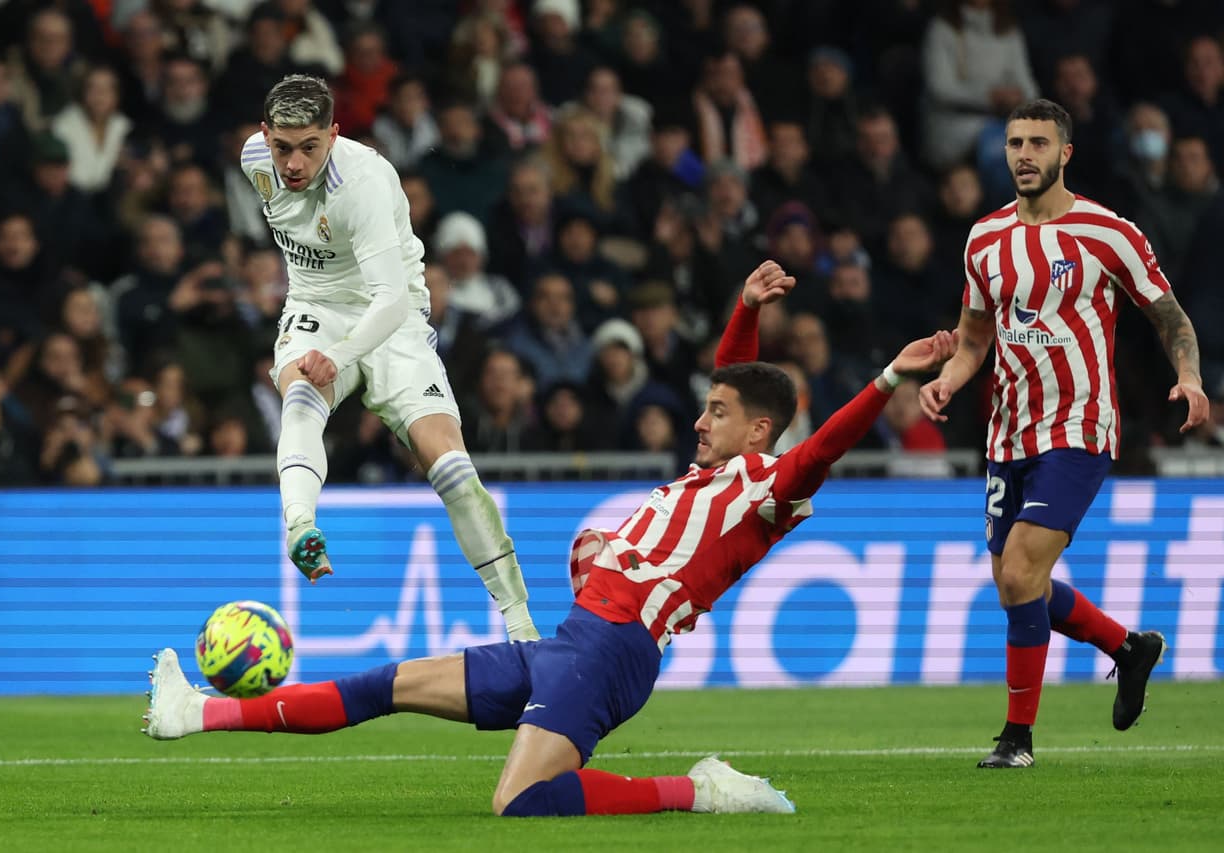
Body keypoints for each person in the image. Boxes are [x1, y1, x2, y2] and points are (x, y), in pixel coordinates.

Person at [143, 260, 958, 817]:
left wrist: (888, 378)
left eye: (717, 414)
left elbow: (819, 448)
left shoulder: (769, 489)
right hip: (573, 638)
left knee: (520, 801)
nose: (700, 419)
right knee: (381, 687)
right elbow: (735, 379)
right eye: (705, 406)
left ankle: (700, 790)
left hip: (612, 648)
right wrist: (746, 306)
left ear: (761, 430)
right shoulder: (715, 468)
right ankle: (195, 714)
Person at [918, 99, 1212, 769]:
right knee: (1014, 583)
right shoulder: (983, 238)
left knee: (1021, 570)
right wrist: (951, 379)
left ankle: (1017, 739)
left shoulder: (1108, 232)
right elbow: (974, 337)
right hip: (1007, 432)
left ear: (1065, 153)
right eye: (1016, 142)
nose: (1024, 153)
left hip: (1079, 426)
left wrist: (1190, 377)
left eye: (1038, 143)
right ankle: (1128, 647)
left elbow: (1168, 316)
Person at [239, 75, 537, 642]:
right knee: (300, 395)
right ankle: (300, 523)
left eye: (309, 146)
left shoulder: (366, 183)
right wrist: (320, 351)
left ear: (334, 133)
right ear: (264, 137)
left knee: (448, 464)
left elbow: (391, 298)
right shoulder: (255, 161)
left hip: (392, 318)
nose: (294, 163)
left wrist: (341, 355)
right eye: (283, 147)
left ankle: (520, 624)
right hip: (315, 306)